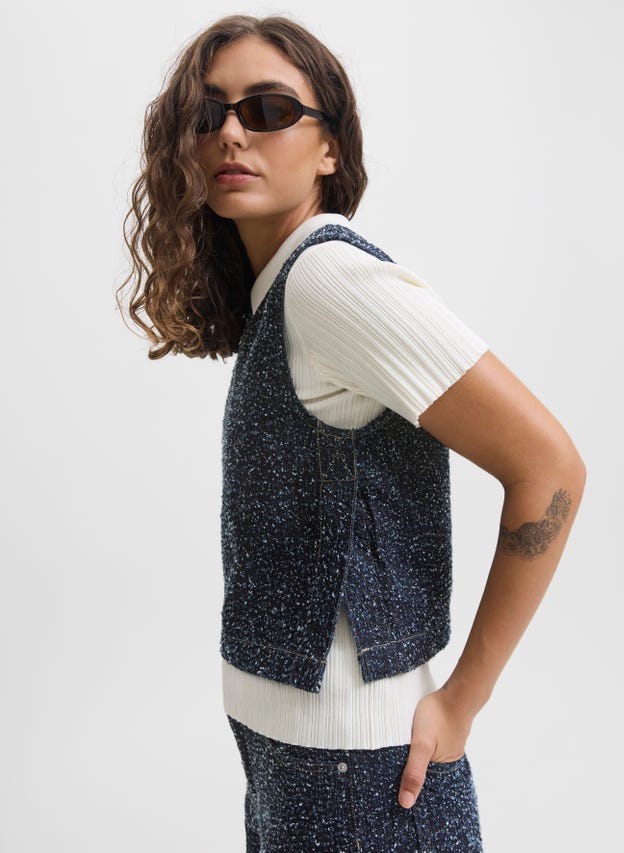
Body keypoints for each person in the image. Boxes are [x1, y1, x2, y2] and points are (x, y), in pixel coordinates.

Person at [117, 13, 587, 852]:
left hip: (356, 781)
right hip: (300, 764)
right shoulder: (284, 284)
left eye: (267, 110)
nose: (230, 133)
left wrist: (463, 699)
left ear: (329, 148)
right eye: (208, 112)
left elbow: (549, 467)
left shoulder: (327, 279)